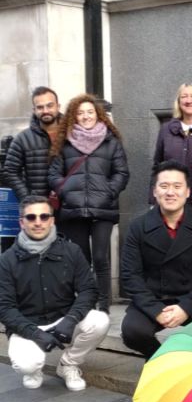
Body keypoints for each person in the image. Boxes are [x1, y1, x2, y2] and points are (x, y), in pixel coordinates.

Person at [0, 196, 110, 391]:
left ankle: (68, 364)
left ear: (52, 220)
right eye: (31, 217)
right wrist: (34, 333)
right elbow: (5, 308)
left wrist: (71, 320)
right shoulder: (6, 260)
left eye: (44, 216)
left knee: (100, 321)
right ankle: (34, 369)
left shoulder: (71, 251)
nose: (38, 222)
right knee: (27, 364)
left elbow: (88, 290)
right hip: (28, 324)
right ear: (22, 222)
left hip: (63, 319)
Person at [120, 160, 192, 359]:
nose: (170, 192)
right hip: (154, 297)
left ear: (188, 191)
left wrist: (186, 307)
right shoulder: (137, 227)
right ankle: (161, 360)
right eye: (164, 186)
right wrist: (156, 310)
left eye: (177, 186)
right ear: (155, 191)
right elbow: (131, 275)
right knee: (133, 331)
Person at [48, 94, 130, 313]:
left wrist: (109, 191)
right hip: (74, 209)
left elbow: (122, 173)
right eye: (80, 113)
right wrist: (66, 192)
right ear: (74, 116)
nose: (85, 116)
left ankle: (103, 305)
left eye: (90, 112)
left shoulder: (111, 142)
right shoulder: (64, 141)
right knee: (81, 259)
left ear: (98, 114)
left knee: (101, 257)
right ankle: (85, 302)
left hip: (102, 208)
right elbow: (54, 174)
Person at [152, 83, 192, 217]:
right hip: (170, 202)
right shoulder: (166, 130)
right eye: (184, 96)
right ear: (179, 102)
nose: (189, 100)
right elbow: (157, 166)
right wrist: (153, 200)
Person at [3, 87, 62, 200]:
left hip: (69, 208)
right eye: (40, 107)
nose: (45, 110)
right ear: (34, 110)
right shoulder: (22, 138)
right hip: (36, 210)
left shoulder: (73, 134)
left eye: (50, 105)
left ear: (58, 106)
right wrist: (28, 198)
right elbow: (10, 171)